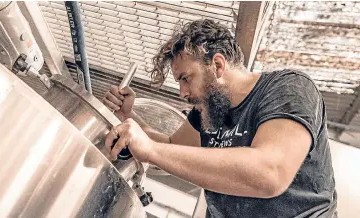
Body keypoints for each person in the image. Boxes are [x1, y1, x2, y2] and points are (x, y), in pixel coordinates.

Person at [103, 19, 337, 217]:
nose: (183, 93)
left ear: (217, 64)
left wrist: (151, 149)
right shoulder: (208, 112)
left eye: (186, 78)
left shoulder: (288, 88)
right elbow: (171, 148)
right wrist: (127, 115)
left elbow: (270, 173)